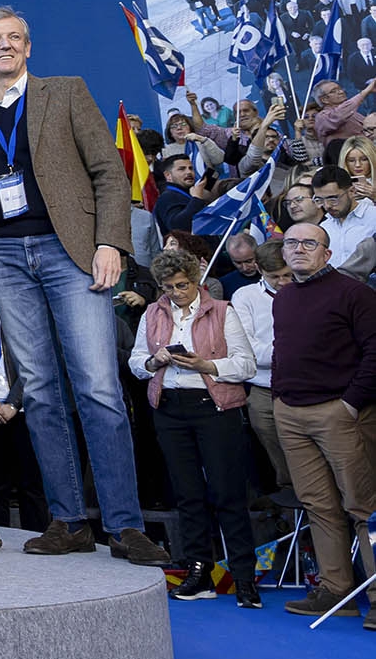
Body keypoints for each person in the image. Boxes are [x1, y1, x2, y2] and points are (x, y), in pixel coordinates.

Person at [0, 7, 168, 565]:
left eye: (14, 38)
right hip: (0, 255)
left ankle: (125, 526)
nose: (4, 46)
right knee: (42, 392)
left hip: (70, 251)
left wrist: (110, 243)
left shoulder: (66, 91)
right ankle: (68, 520)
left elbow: (106, 171)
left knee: (97, 387)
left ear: (29, 47)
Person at [127, 249, 260, 608]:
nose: (175, 292)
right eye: (168, 286)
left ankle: (244, 577)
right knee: (187, 494)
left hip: (215, 408)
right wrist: (155, 360)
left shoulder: (222, 311)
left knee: (228, 492)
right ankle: (198, 570)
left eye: (182, 285)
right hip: (169, 408)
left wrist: (207, 365)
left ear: (195, 279)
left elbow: (246, 364)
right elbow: (136, 361)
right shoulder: (153, 312)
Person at [270, 223, 376, 624]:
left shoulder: (355, 294)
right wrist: (279, 395)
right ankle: (336, 591)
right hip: (291, 413)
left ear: (326, 254)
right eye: (292, 243)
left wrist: (351, 403)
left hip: (341, 412)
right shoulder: (284, 298)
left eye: (309, 243)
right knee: (319, 505)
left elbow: (375, 352)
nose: (299, 249)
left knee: (364, 506)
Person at [0, 282, 48, 533]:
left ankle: (38, 534)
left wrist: (14, 403)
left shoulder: (20, 320)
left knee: (32, 482)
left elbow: (34, 364)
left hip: (22, 410)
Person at [227, 241, 295, 492]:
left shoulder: (307, 290)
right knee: (279, 459)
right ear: (259, 269)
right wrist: (293, 351)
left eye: (288, 275)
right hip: (264, 389)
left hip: (308, 384)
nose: (283, 282)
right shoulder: (246, 296)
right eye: (275, 276)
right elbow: (248, 348)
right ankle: (292, 511)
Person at [309, 166, 376, 267]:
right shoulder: (324, 227)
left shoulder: (373, 218)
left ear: (352, 191)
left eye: (333, 199)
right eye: (320, 200)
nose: (327, 206)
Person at [152, 154, 216, 234]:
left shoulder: (190, 192)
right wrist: (196, 199)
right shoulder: (167, 197)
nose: (189, 172)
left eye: (191, 168)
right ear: (168, 175)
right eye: (182, 169)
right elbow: (178, 227)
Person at [216, 233, 260, 299]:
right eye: (238, 263)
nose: (245, 268)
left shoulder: (273, 275)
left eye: (249, 261)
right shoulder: (224, 284)